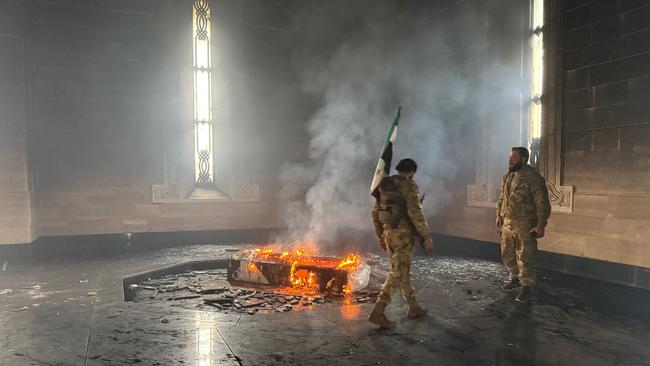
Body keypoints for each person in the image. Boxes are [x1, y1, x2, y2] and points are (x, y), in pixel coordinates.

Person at [368, 158, 434, 328]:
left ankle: (413, 306)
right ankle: (378, 310)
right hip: (403, 235)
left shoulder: (384, 185)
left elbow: (375, 213)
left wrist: (381, 236)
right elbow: (415, 213)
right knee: (397, 272)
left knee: (402, 269)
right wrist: (426, 236)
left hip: (389, 233)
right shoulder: (409, 186)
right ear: (412, 172)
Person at [496, 147, 551, 303]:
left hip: (525, 223)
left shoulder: (533, 178)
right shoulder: (508, 176)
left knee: (525, 255)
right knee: (507, 252)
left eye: (513, 157)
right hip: (508, 221)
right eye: (510, 157)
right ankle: (514, 278)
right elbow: (502, 197)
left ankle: (526, 286)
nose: (510, 160)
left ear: (524, 159)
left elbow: (542, 204)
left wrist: (541, 224)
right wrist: (499, 214)